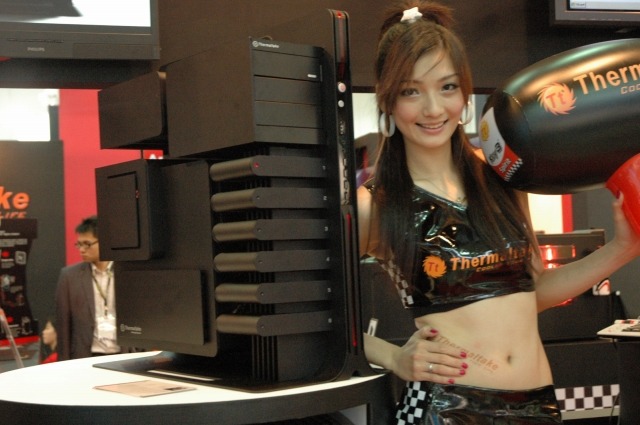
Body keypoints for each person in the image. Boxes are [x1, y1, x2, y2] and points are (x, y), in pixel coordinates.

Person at [357, 1, 640, 423]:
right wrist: (392, 356)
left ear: (464, 92)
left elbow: (534, 292)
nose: (433, 109)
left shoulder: (504, 177)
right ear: (388, 100)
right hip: (446, 410)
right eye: (411, 91)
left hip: (538, 406)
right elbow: (315, 320)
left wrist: (623, 248)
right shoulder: (376, 204)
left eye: (447, 87)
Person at [55, 215, 120, 360]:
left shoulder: (127, 273)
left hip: (124, 354)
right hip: (85, 357)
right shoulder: (69, 276)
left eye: (87, 244)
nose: (82, 250)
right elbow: (63, 326)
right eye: (79, 244)